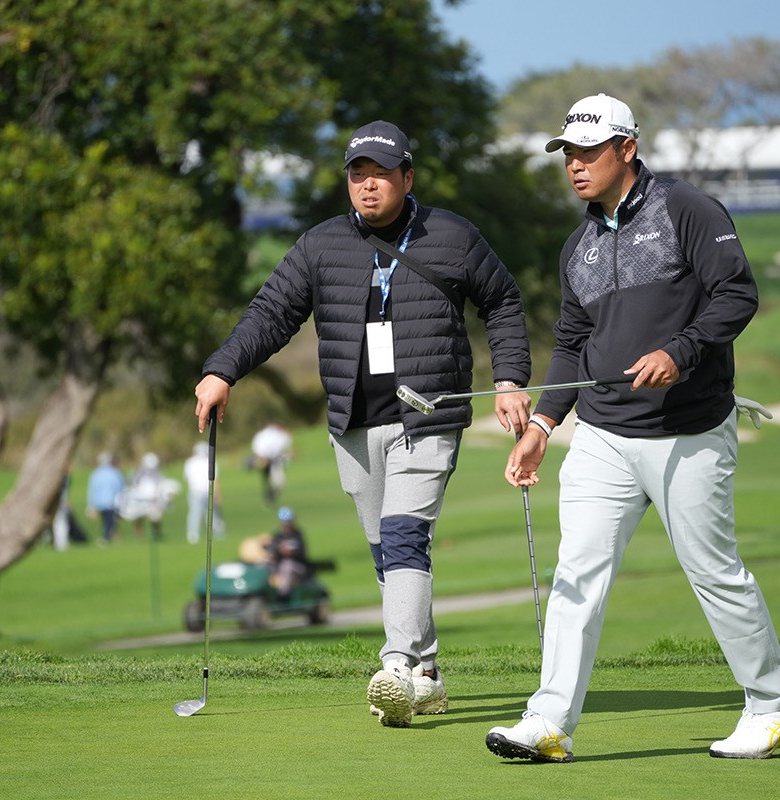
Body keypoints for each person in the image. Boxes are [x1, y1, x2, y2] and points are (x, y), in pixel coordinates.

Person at [488, 94, 780, 763]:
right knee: (576, 575)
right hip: (604, 436)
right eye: (567, 154)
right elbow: (574, 343)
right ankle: (548, 721)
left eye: (588, 152)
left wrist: (681, 351)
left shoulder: (687, 211)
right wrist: (544, 424)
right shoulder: (576, 245)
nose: (575, 166)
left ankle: (774, 707)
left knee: (714, 574)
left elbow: (737, 294)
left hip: (687, 431)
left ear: (626, 149)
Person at [195, 120, 531, 728]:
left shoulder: (452, 236)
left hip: (429, 416)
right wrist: (223, 371)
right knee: (387, 555)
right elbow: (272, 313)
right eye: (357, 174)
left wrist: (508, 379)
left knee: (405, 535)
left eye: (380, 173)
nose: (368, 185)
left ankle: (397, 665)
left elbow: (503, 300)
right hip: (353, 420)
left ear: (407, 176)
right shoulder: (320, 246)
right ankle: (426, 673)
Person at [183, 442, 224, 545]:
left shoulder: (190, 462)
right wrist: (218, 495)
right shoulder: (210, 461)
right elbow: (216, 481)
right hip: (206, 491)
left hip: (197, 492)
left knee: (198, 513)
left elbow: (187, 479)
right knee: (209, 514)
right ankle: (215, 533)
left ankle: (193, 534)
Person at [268, 506, 308, 601]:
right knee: (264, 564)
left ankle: (283, 595)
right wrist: (278, 551)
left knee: (287, 565)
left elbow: (302, 554)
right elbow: (273, 552)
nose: (287, 525)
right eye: (284, 523)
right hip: (280, 565)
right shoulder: (278, 536)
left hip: (298, 566)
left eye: (288, 522)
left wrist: (290, 552)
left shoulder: (298, 535)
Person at [85, 452, 124, 546]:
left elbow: (92, 490)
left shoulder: (95, 474)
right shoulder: (115, 473)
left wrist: (91, 504)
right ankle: (105, 538)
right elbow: (120, 487)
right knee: (110, 521)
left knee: (107, 521)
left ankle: (108, 537)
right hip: (111, 502)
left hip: (100, 502)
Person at [249, 423, 293, 504]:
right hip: (266, 460)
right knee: (273, 480)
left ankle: (270, 497)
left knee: (278, 483)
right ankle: (269, 497)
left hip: (274, 461)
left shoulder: (276, 436)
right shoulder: (265, 435)